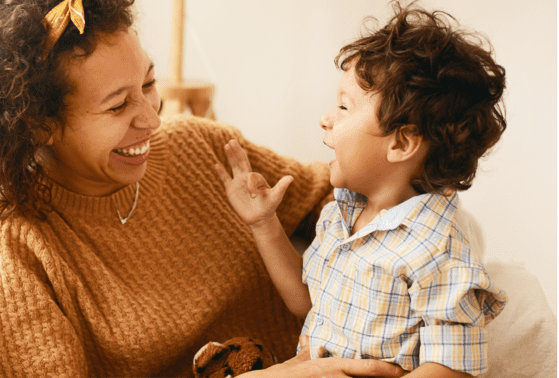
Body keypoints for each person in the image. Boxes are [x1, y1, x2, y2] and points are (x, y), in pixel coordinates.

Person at [0, 0, 408, 377]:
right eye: (119, 107)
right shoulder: (11, 247)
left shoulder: (197, 146)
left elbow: (334, 193)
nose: (153, 118)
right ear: (41, 124)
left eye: (149, 82)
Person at [215, 3, 507, 377]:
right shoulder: (339, 214)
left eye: (343, 106)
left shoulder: (438, 248)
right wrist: (264, 224)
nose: (326, 117)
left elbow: (453, 366)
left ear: (401, 144)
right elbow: (307, 304)